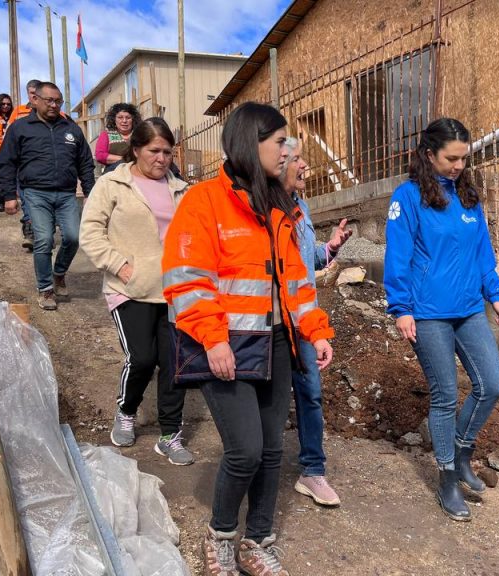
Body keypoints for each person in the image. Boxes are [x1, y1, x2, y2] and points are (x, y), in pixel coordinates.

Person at [162, 102, 334, 576]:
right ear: (248, 142)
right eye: (280, 142)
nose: (289, 151)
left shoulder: (278, 206)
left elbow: (294, 282)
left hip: (275, 342)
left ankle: (257, 541)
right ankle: (220, 536)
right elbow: (186, 279)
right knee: (246, 450)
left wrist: (314, 330)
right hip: (225, 346)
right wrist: (214, 339)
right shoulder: (203, 201)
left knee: (273, 449)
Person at [384, 117, 499, 522]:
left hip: (469, 309)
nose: (458, 165)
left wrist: (496, 297)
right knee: (443, 397)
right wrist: (401, 308)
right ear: (428, 154)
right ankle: (447, 478)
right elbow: (397, 257)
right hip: (427, 314)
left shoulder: (469, 197)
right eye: (450, 158)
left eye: (463, 158)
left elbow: (483, 255)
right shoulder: (407, 198)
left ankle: (462, 452)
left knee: (492, 384)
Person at [79, 117, 193, 465]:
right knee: (142, 358)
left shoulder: (182, 189)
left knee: (175, 363)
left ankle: (170, 435)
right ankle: (126, 411)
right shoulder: (112, 184)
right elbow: (90, 232)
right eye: (154, 151)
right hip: (129, 287)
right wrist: (121, 266)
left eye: (168, 152)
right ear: (136, 150)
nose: (162, 158)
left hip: (173, 289)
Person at [279, 137, 351, 507]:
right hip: (272, 321)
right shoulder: (264, 210)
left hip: (304, 319)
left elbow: (307, 263)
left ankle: (312, 471)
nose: (306, 165)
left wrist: (330, 249)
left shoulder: (302, 208)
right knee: (271, 399)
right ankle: (258, 468)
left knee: (310, 393)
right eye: (297, 159)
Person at [0, 82, 95, 312]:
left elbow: (85, 163)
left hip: (66, 193)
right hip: (35, 192)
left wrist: (90, 192)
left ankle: (58, 273)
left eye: (58, 101)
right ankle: (45, 288)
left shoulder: (71, 129)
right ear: (35, 100)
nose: (53, 105)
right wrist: (9, 195)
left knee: (72, 237)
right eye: (49, 100)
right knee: (44, 240)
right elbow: (6, 163)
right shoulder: (20, 128)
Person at [8, 78, 43, 249]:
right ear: (28, 93)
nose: (35, 96)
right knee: (27, 198)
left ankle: (44, 233)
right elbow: (10, 135)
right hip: (23, 164)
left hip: (44, 164)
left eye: (38, 92)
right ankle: (30, 232)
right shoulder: (19, 112)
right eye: (32, 93)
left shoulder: (53, 112)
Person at [94, 103, 140, 174]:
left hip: (136, 173)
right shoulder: (106, 135)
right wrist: (124, 160)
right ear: (114, 120)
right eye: (120, 117)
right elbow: (100, 155)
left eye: (128, 118)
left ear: (133, 120)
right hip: (112, 174)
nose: (124, 121)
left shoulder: (139, 135)